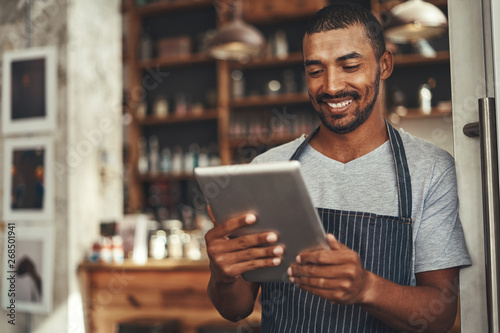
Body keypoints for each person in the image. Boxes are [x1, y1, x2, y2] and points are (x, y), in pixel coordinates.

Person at [204, 2, 471, 332]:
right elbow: (236, 309)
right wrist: (223, 274)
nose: (331, 86)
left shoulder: (430, 170)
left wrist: (366, 288)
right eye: (315, 71)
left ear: (384, 64)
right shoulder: (268, 167)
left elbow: (441, 315)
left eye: (349, 65)